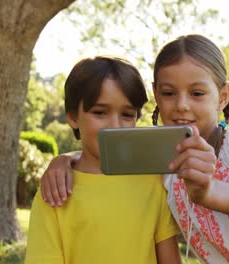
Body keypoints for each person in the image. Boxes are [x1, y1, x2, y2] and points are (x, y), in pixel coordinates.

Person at [39, 35, 229, 263]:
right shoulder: (163, 161)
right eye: (169, 92)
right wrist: (64, 159)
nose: (182, 105)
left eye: (198, 92)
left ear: (223, 96)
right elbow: (107, 146)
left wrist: (208, 192)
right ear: (156, 97)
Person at [25, 56, 181, 264]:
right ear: (72, 116)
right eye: (100, 112)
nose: (114, 125)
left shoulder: (153, 182)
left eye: (127, 114)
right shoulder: (55, 191)